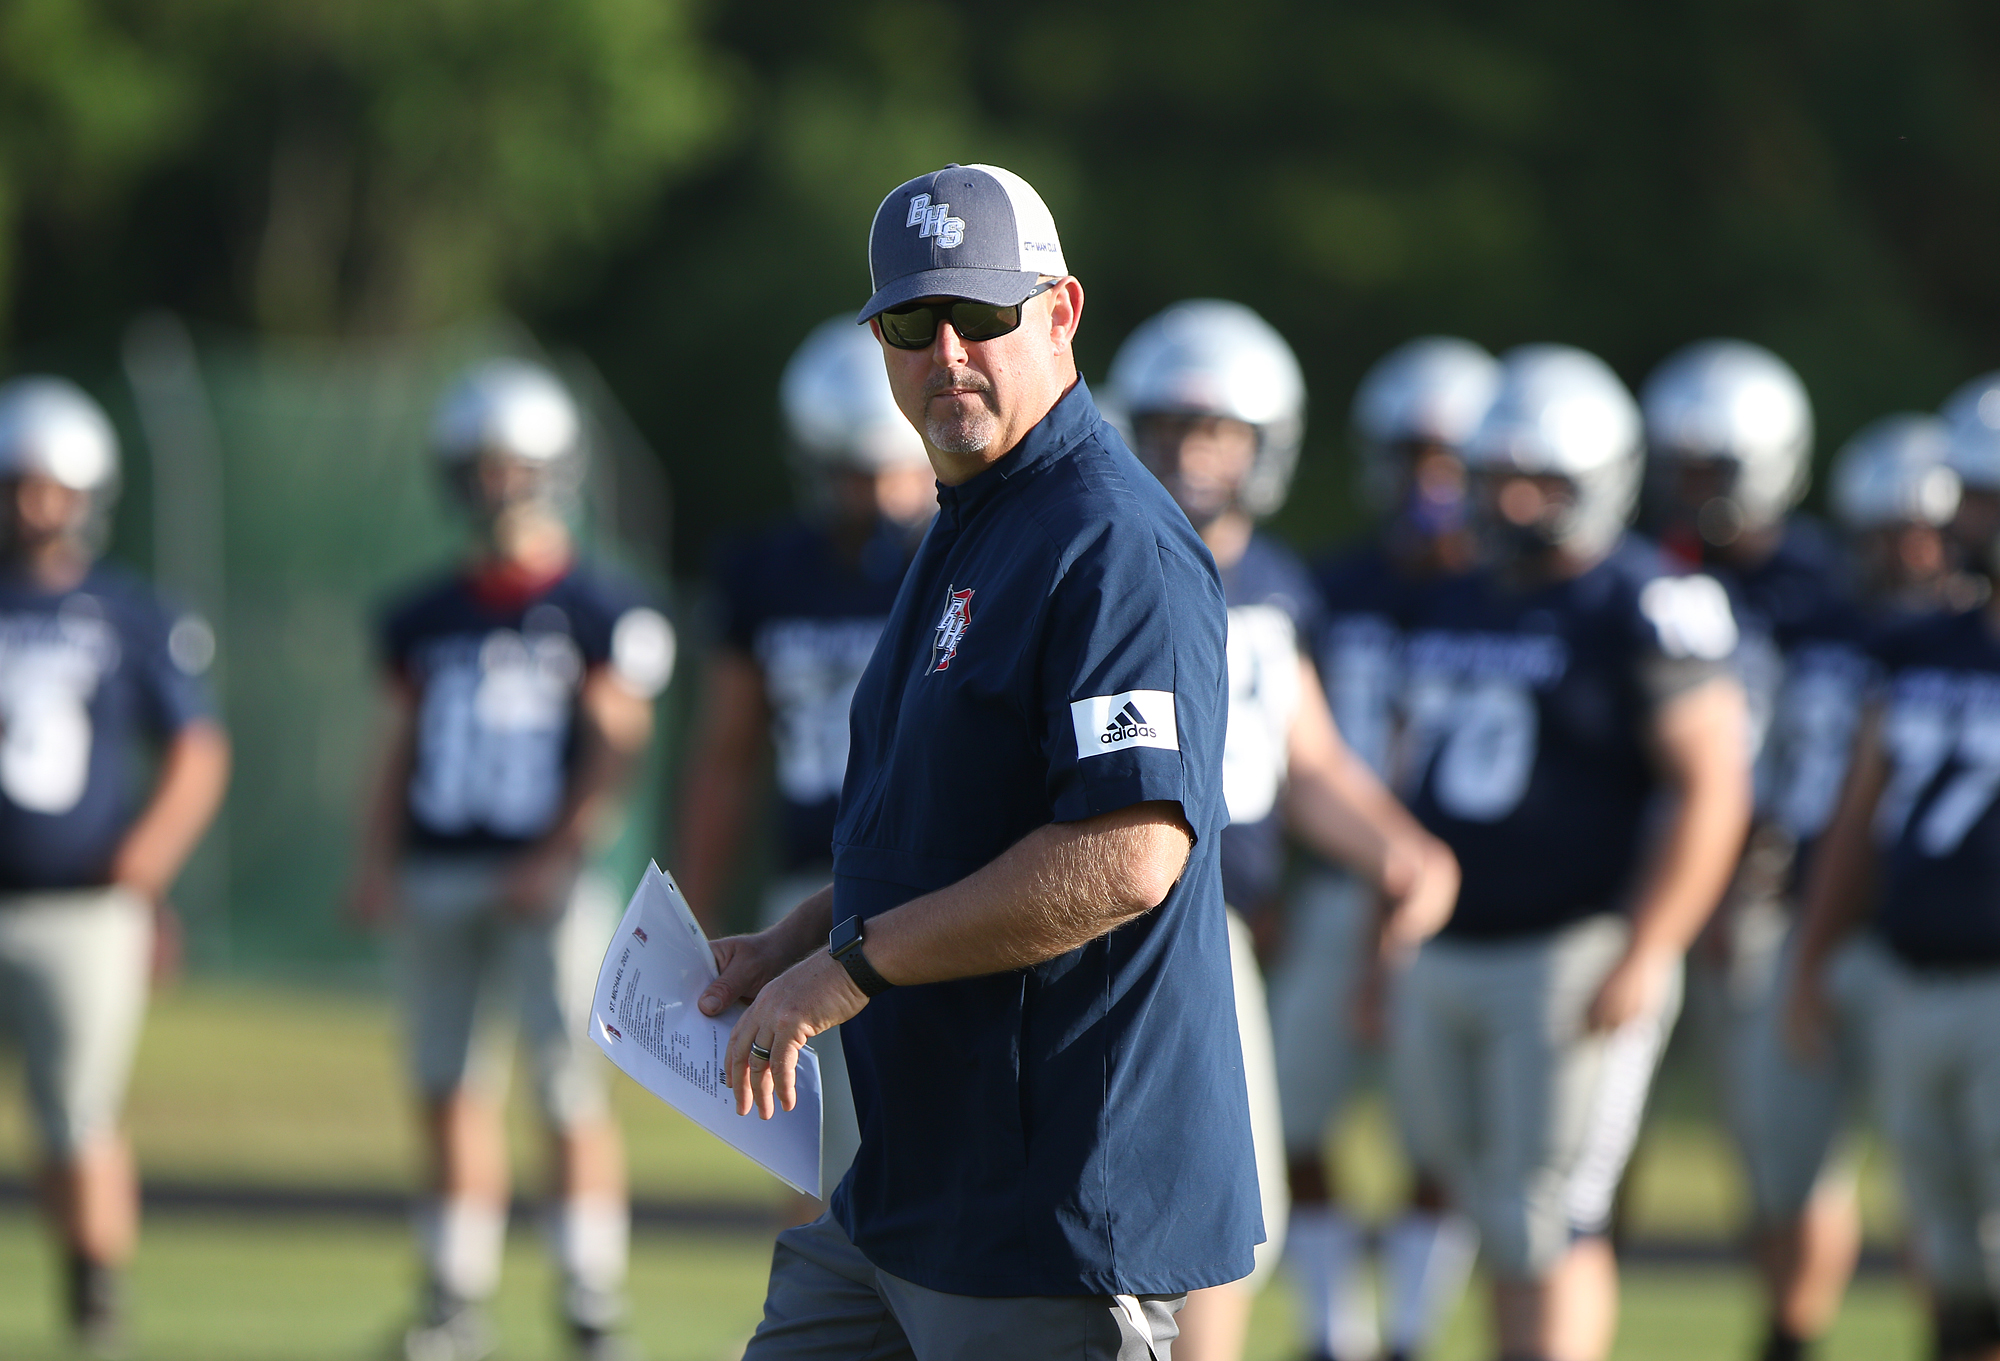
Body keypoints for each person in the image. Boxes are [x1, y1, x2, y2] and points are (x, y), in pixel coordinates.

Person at [699, 162, 1259, 1360]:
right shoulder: (969, 518)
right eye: (912, 321)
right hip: (909, 1188)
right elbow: (937, 831)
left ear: (1058, 314)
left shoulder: (1111, 541)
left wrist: (847, 968)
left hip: (1045, 1201)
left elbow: (1129, 849)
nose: (945, 350)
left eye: (982, 315)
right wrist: (796, 936)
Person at [1106, 302, 1462, 1361]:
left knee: (1230, 1211)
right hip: (1101, 908)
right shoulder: (1102, 552)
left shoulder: (1273, 584)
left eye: (1219, 432)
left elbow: (1305, 763)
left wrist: (1398, 847)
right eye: (1171, 429)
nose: (1192, 455)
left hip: (1208, 924)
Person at [1393, 344, 1753, 1361]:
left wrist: (1647, 945)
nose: (1507, 501)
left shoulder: (1643, 599)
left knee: (1550, 1212)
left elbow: (1712, 787)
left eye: (1536, 480)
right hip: (1451, 943)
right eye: (1493, 477)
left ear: (1597, 479)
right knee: (1489, 1207)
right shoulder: (1464, 594)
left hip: (1570, 946)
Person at [348, 359, 675, 1361]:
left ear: (553, 470)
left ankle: (588, 1296)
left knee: (565, 1087)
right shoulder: (422, 613)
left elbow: (619, 743)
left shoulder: (601, 605)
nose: (495, 485)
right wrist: (374, 854)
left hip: (549, 882)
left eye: (511, 465)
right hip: (442, 865)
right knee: (447, 1085)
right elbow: (397, 742)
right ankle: (453, 1296)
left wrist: (558, 852)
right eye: (478, 467)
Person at [1638, 341, 1864, 1361]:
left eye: (1712, 468)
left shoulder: (1824, 587)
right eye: (1680, 467)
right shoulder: (1648, 565)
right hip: (1658, 874)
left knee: (1781, 1151)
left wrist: (1771, 871)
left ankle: (1789, 1334)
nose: (1694, 492)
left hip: (1768, 888)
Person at [677, 315, 934, 1208]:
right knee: (815, 1156)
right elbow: (727, 750)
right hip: (808, 882)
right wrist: (696, 900)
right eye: (856, 474)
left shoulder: (962, 553)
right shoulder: (765, 570)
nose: (881, 496)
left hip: (939, 881)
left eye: (895, 468)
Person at [0, 376, 230, 1355]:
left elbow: (197, 748)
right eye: (18, 482)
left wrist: (141, 866)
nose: (32, 504)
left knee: (77, 1116)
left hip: (83, 906)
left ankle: (95, 1307)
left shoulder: (127, 608)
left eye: (50, 484)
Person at [1285, 336, 1500, 1361]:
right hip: (1336, 884)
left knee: (1442, 1137)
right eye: (1411, 454)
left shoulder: (1512, 592)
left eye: (1448, 458)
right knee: (1289, 1117)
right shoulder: (1331, 587)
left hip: (1460, 906)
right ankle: (1334, 1333)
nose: (1428, 482)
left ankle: (1409, 1334)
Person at [1784, 404, 2000, 1359]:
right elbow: (1852, 829)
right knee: (1949, 1252)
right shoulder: (1916, 651)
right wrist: (1810, 961)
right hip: (1915, 981)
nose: (1968, 524)